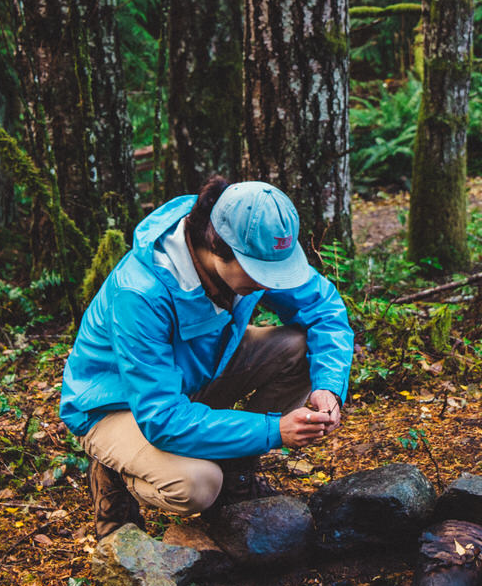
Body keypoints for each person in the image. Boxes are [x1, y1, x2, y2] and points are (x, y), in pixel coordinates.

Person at [60, 178, 355, 527]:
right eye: (261, 272)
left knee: (301, 349)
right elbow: (162, 417)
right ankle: (115, 474)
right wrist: (273, 430)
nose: (271, 283)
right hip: (117, 405)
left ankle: (235, 476)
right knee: (198, 484)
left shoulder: (247, 238)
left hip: (196, 375)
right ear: (217, 246)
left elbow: (322, 309)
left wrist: (329, 385)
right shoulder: (140, 293)